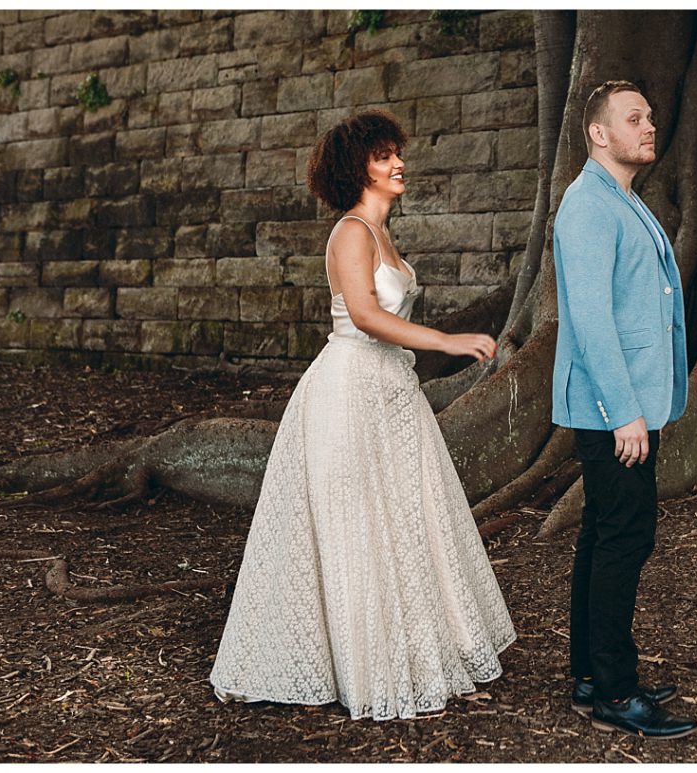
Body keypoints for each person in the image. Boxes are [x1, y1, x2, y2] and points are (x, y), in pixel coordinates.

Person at [209, 109, 515, 721]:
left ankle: (419, 655)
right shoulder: (349, 232)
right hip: (347, 389)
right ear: (359, 169)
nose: (398, 163)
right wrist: (449, 341)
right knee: (356, 523)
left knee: (401, 517)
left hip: (389, 389)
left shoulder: (383, 234)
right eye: (383, 156)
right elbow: (367, 317)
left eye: (397, 153)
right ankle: (364, 669)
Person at [551, 80, 697, 739]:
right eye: (633, 117)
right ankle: (614, 690)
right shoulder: (587, 205)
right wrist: (623, 413)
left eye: (650, 114)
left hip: (627, 403)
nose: (648, 125)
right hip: (614, 407)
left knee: (603, 532)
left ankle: (589, 674)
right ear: (598, 134)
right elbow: (591, 321)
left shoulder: (619, 199)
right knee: (624, 538)